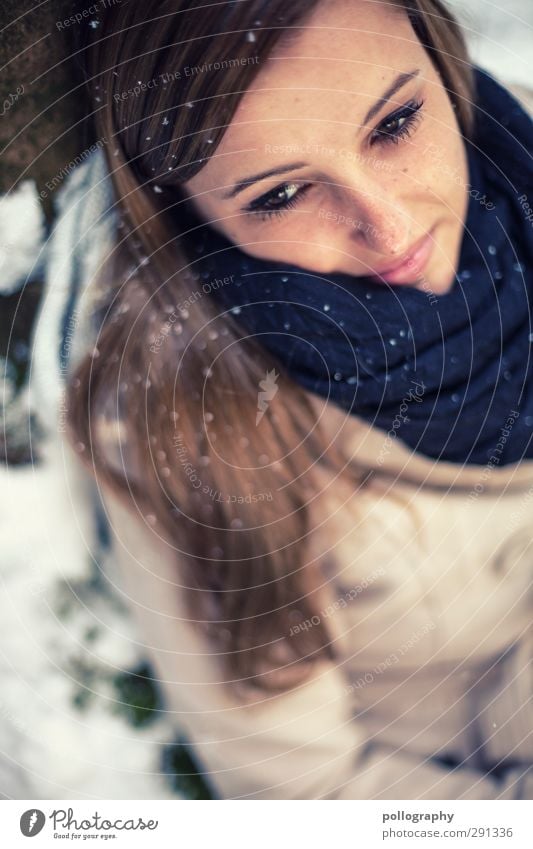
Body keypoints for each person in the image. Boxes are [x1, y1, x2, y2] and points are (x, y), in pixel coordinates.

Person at [28, 0, 533, 799]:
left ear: (436, 51)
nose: (391, 225)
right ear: (180, 206)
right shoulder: (184, 419)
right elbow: (309, 797)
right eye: (280, 193)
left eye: (395, 122)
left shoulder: (519, 146)